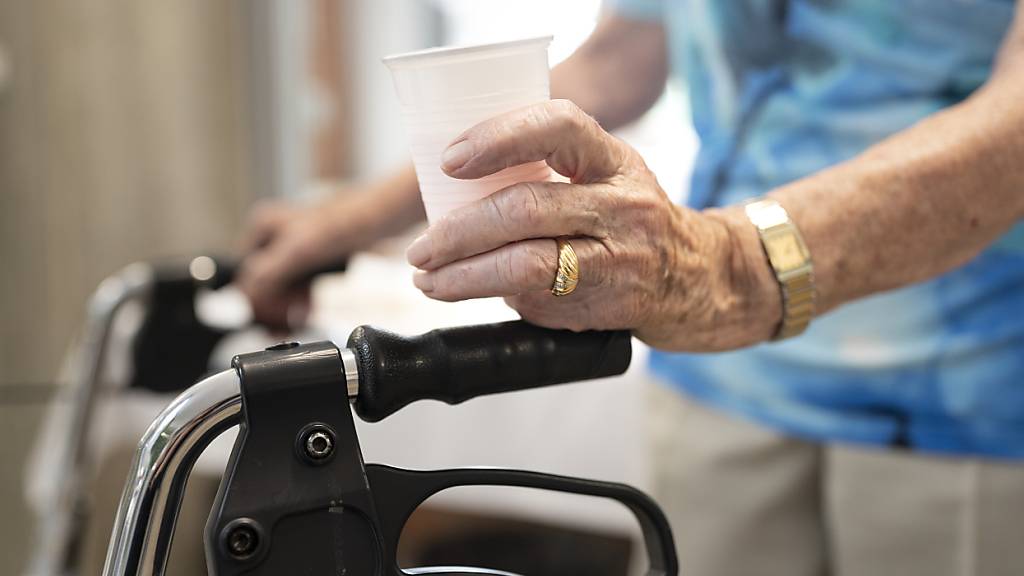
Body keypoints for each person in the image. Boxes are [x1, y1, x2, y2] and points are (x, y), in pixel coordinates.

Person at [239, 2, 1024, 574]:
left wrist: (726, 268)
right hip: (719, 370)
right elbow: (621, 57)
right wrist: (348, 219)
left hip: (961, 378)